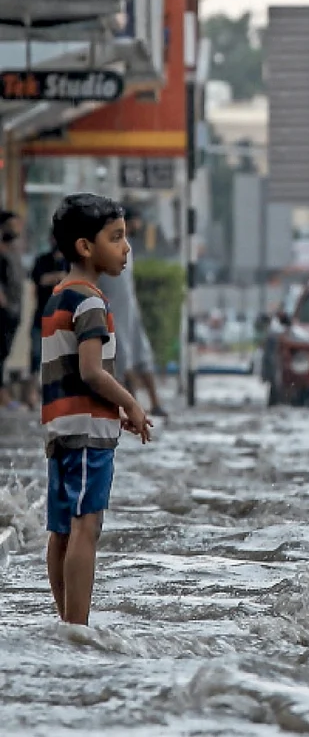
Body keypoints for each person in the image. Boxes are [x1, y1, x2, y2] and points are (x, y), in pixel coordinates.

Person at [42, 193, 153, 625]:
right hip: (87, 434)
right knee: (87, 526)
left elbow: (69, 371)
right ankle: (77, 626)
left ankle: (64, 620)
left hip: (60, 427)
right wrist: (132, 404)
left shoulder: (58, 297)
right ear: (86, 247)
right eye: (117, 238)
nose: (126, 248)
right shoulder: (91, 302)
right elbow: (91, 371)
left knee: (62, 529)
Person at [97, 207, 166, 418]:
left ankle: (154, 403)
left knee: (142, 355)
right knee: (122, 358)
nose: (139, 226)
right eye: (135, 222)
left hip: (130, 309)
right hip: (112, 309)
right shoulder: (104, 245)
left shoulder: (127, 247)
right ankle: (132, 405)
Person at [26, 231, 70, 408]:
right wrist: (57, 277)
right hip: (42, 316)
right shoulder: (42, 260)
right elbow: (39, 280)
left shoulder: (71, 261)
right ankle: (31, 395)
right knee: (36, 356)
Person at [0, 211, 25, 408]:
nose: (17, 228)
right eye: (13, 224)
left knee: (4, 352)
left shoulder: (14, 249)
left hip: (15, 310)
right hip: (4, 310)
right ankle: (3, 396)